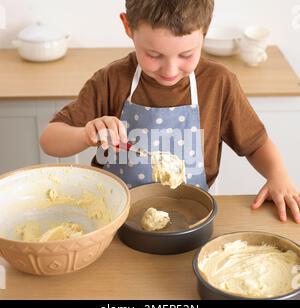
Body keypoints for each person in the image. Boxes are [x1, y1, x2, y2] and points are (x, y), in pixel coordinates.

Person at [40, 0, 300, 223]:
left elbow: (256, 145)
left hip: (189, 218)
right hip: (114, 218)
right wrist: (86, 135)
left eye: (186, 54)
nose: (170, 70)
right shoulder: (111, 80)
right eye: (153, 54)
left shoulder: (218, 83)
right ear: (128, 26)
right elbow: (50, 140)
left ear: (205, 30)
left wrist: (278, 174)